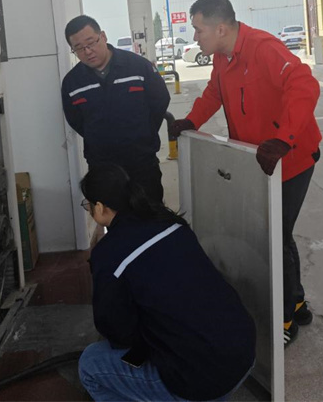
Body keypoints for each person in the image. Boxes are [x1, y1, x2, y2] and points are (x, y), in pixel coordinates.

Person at [169, 0, 322, 347]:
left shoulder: (264, 49)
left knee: (273, 237)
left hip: (291, 159)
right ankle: (296, 302)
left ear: (221, 29)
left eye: (199, 30)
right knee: (278, 234)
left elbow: (304, 85)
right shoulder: (222, 57)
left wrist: (283, 139)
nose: (195, 38)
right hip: (260, 162)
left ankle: (284, 318)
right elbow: (215, 93)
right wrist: (191, 121)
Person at [78, 164, 256, 402]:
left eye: (88, 205)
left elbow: (117, 332)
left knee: (90, 364)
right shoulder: (169, 222)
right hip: (244, 353)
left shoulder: (109, 254)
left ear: (99, 207)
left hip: (201, 382)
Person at [61, 16, 171, 203]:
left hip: (142, 161)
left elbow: (160, 100)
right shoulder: (73, 82)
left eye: (91, 43)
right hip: (102, 166)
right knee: (112, 215)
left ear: (103, 36)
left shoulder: (138, 66)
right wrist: (100, 137)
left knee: (150, 212)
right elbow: (76, 120)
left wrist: (144, 131)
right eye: (79, 48)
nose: (87, 51)